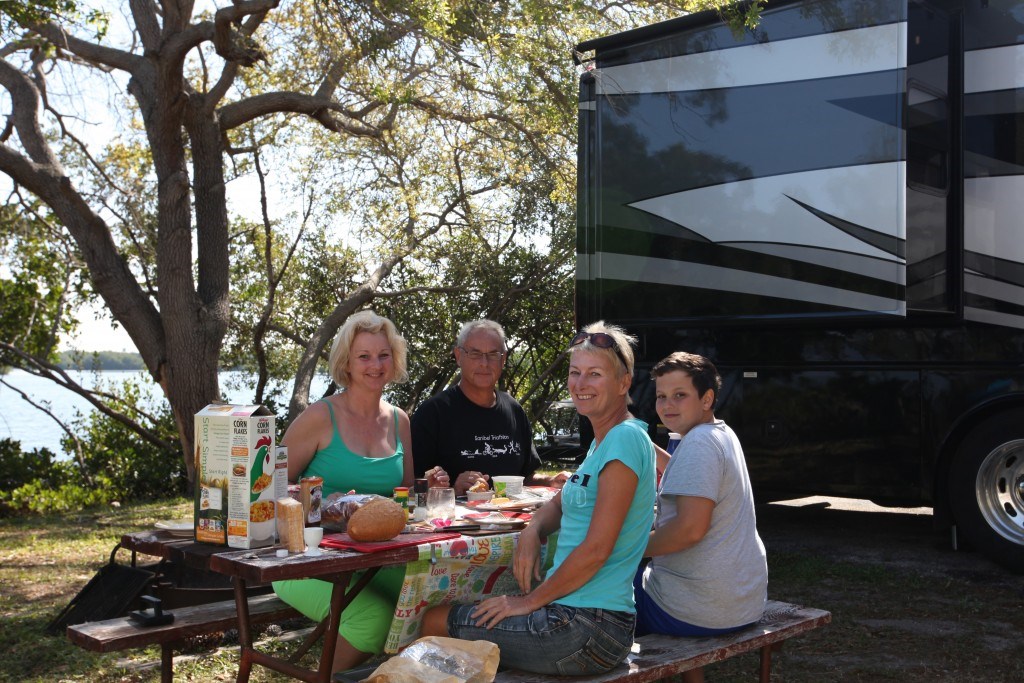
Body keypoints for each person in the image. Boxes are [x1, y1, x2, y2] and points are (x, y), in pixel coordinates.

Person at [420, 321, 657, 676]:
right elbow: (560, 503)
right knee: (467, 616)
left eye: (595, 374)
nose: (580, 383)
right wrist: (533, 530)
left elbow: (596, 550)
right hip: (585, 620)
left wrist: (528, 602)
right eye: (575, 372)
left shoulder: (624, 440)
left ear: (624, 383)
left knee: (435, 621)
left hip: (585, 627)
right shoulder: (602, 444)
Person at [272, 310, 414, 674]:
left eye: (383, 355)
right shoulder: (320, 417)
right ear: (346, 364)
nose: (375, 365)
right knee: (372, 620)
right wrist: (324, 505)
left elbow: (405, 496)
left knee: (428, 597)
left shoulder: (400, 420)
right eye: (363, 356)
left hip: (373, 558)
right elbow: (266, 487)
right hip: (304, 560)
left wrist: (437, 488)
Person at [636, 351, 768, 683]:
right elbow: (685, 473)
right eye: (661, 396)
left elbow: (689, 531)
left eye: (680, 395)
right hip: (741, 601)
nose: (668, 405)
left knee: (596, 584)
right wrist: (643, 444)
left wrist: (622, 547)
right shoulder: (719, 433)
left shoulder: (699, 445)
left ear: (707, 398)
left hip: (702, 611)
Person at [413, 319, 570, 495]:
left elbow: (524, 477)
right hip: (457, 521)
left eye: (493, 354)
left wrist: (551, 480)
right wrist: (453, 491)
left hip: (513, 519)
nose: (484, 363)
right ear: (458, 356)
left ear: (503, 359)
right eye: (475, 353)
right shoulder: (432, 414)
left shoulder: (514, 410)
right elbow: (414, 489)